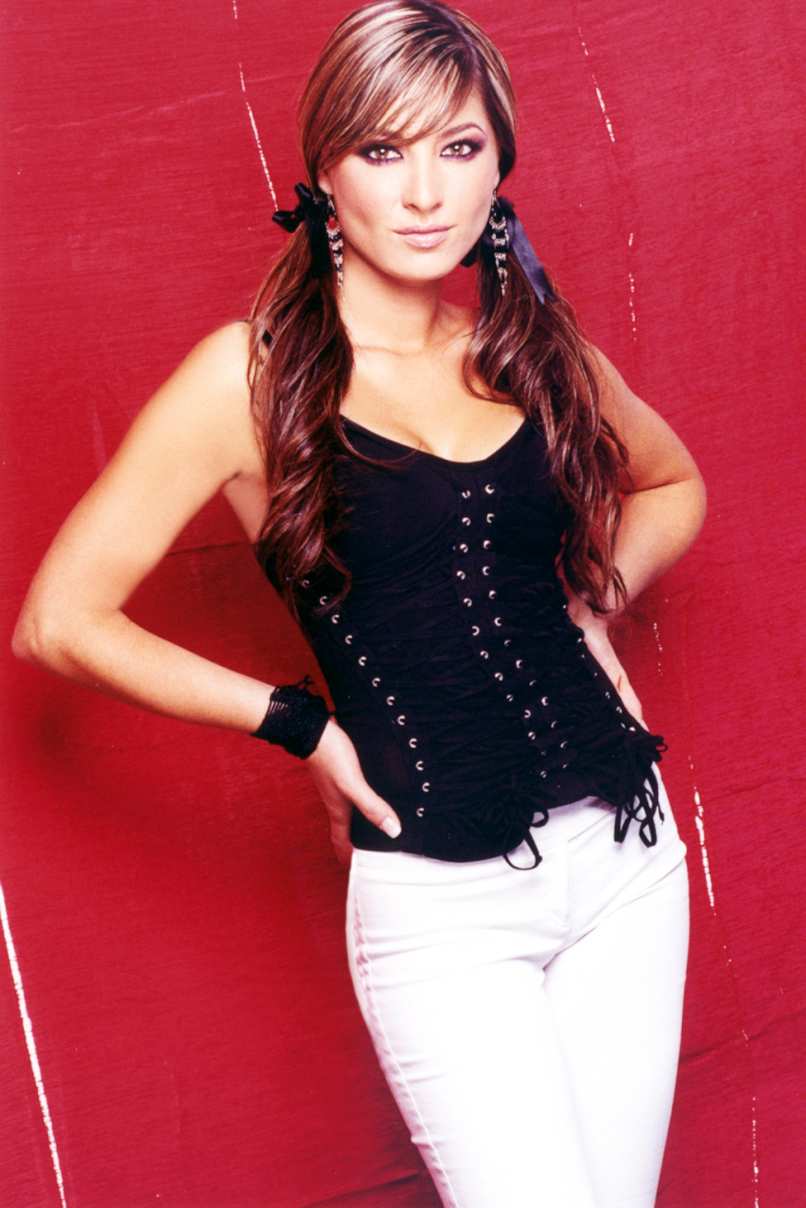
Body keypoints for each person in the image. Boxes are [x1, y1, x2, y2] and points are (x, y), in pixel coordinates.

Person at [12, 1, 707, 1204]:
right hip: (443, 901)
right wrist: (302, 727)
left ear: (497, 165)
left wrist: (589, 599)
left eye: (459, 147)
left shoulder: (526, 350)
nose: (425, 191)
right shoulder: (248, 377)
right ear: (325, 175)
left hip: (625, 865)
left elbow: (671, 481)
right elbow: (59, 620)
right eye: (383, 150)